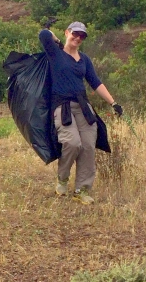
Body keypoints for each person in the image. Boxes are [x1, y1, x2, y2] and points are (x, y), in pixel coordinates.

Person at [39, 22, 123, 204]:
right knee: (72, 143)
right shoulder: (56, 54)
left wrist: (113, 103)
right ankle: (62, 179)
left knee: (88, 146)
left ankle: (82, 190)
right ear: (67, 32)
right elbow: (44, 34)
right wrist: (58, 41)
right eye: (75, 34)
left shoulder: (84, 59)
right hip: (63, 106)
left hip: (83, 107)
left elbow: (95, 82)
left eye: (82, 36)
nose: (78, 38)